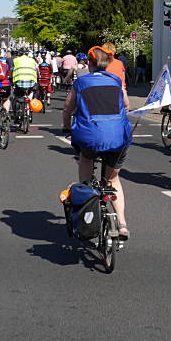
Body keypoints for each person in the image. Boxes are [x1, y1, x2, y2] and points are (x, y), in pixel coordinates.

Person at [62, 45, 131, 240]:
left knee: (85, 161)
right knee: (113, 179)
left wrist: (66, 127)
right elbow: (126, 105)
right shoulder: (116, 81)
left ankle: (85, 204)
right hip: (118, 137)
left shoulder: (82, 82)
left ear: (90, 64)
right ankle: (122, 224)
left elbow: (68, 108)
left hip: (90, 136)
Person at [11, 47, 38, 119]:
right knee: (31, 91)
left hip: (19, 81)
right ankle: (29, 105)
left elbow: (12, 70)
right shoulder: (32, 60)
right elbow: (36, 70)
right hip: (31, 81)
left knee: (16, 96)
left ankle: (16, 113)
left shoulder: (15, 60)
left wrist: (11, 78)